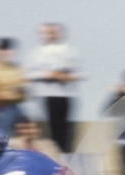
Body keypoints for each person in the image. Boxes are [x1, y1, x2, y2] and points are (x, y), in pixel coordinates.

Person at [27, 23, 82, 153]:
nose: (52, 36)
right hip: (47, 95)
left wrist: (67, 77)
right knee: (51, 128)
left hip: (67, 94)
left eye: (54, 32)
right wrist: (49, 74)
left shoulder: (70, 51)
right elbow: (29, 73)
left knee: (67, 129)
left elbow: (83, 73)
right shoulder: (38, 52)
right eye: (49, 33)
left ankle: (65, 155)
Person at [0, 38, 27, 138]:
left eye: (7, 50)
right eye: (1, 50)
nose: (4, 53)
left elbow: (24, 93)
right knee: (3, 137)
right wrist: (11, 93)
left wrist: (5, 92)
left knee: (19, 138)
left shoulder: (17, 68)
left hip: (16, 107)